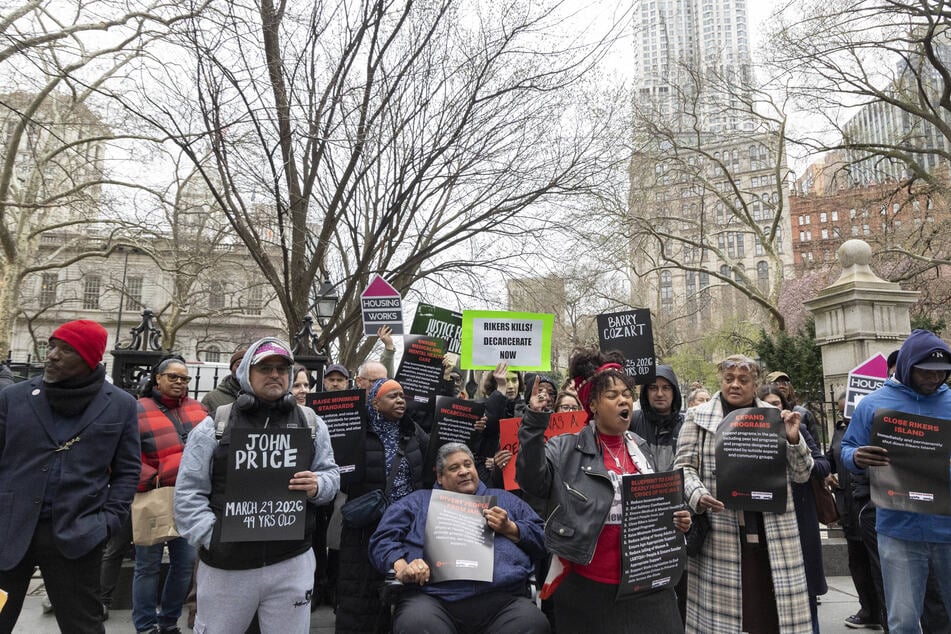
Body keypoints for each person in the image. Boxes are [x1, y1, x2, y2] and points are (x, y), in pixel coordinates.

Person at [516, 347, 691, 633]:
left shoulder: (639, 447)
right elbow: (531, 481)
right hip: (590, 591)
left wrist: (675, 520)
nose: (622, 399)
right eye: (612, 395)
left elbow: (655, 508)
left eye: (625, 393)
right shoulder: (565, 448)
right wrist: (535, 421)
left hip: (647, 586)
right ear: (593, 405)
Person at [174, 338, 340, 634]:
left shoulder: (312, 423)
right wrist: (212, 536)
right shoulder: (215, 425)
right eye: (265, 367)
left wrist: (318, 485)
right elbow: (188, 494)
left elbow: (330, 474)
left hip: (292, 562)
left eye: (281, 368)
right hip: (227, 568)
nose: (275, 374)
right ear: (246, 374)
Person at [0, 319, 140, 633]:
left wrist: (107, 522)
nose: (52, 355)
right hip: (8, 533)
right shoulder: (15, 397)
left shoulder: (120, 405)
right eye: (52, 346)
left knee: (83, 626)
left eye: (66, 350)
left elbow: (127, 471)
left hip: (77, 536)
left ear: (89, 359)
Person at [674, 354, 813, 633]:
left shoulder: (776, 419)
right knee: (726, 622)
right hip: (721, 536)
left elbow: (802, 473)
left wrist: (794, 439)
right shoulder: (697, 418)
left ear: (756, 383)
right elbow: (682, 469)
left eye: (743, 380)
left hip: (773, 537)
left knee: (771, 618)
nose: (735, 385)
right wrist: (698, 495)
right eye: (729, 379)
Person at [369, 443, 549, 634]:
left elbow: (544, 538)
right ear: (440, 476)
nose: (463, 471)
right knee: (415, 624)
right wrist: (402, 567)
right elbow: (382, 539)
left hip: (502, 600)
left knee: (532, 624)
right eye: (454, 468)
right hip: (432, 599)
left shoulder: (505, 500)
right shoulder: (417, 502)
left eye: (467, 465)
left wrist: (511, 528)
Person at [841, 330, 951, 633]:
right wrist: (857, 457)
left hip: (947, 527)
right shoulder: (872, 404)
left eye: (942, 373)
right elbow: (848, 448)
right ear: (907, 366)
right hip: (898, 528)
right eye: (926, 372)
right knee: (902, 619)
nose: (934, 379)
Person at [336, 378, 429, 634]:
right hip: (365, 529)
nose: (400, 401)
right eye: (392, 396)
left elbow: (434, 460)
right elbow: (340, 476)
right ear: (375, 402)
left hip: (404, 529)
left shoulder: (412, 432)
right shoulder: (356, 432)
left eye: (402, 396)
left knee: (402, 595)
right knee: (360, 597)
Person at [133, 356, 207, 634]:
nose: (179, 382)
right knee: (147, 566)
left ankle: (168, 622)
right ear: (158, 379)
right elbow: (124, 454)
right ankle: (145, 626)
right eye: (173, 377)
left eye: (184, 378)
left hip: (189, 499)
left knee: (185, 565)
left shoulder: (199, 410)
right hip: (153, 496)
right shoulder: (137, 409)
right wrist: (151, 477)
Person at [760, 385, 830, 633]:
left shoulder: (798, 430)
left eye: (776, 404)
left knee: (805, 593)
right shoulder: (749, 433)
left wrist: (796, 447)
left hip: (801, 518)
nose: (772, 409)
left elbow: (823, 466)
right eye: (766, 404)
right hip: (769, 521)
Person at [828, 391, 883, 630]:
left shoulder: (876, 427)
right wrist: (827, 471)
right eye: (841, 411)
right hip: (848, 506)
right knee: (857, 561)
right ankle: (868, 609)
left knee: (878, 565)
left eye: (847, 410)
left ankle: (884, 612)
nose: (845, 415)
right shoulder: (840, 431)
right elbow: (831, 458)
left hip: (871, 505)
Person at [766, 370, 823, 447]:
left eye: (785, 383)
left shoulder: (803, 414)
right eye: (776, 383)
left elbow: (815, 448)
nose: (781, 386)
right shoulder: (759, 413)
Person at [202, 347, 248, 413]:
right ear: (231, 369)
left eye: (248, 366)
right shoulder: (211, 398)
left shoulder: (262, 396)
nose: (243, 369)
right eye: (239, 365)